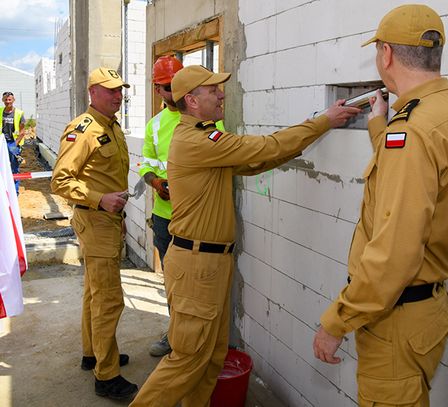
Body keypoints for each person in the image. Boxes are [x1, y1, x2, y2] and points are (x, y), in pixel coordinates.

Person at [130, 65, 360, 407]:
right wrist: (322, 121)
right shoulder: (198, 140)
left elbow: (254, 162)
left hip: (208, 262)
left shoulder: (204, 138)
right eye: (213, 91)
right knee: (187, 360)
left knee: (210, 359)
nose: (222, 95)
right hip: (197, 265)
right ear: (192, 101)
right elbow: (265, 147)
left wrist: (300, 142)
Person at [313, 4, 448, 406]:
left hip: (396, 323)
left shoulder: (412, 132)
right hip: (425, 311)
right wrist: (380, 124)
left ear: (386, 54)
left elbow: (393, 255)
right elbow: (412, 180)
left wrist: (336, 321)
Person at [51, 67, 138, 401]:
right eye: (111, 90)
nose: (118, 96)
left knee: (93, 293)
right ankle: (107, 374)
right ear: (93, 93)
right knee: (108, 299)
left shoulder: (110, 126)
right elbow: (60, 180)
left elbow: (108, 177)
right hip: (95, 219)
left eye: (120, 90)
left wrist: (117, 210)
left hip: (107, 220)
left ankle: (94, 353)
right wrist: (100, 199)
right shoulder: (83, 129)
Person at [139, 56, 226, 357]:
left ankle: (195, 344)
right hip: (166, 218)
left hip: (200, 223)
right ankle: (174, 332)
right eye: (166, 87)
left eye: (177, 84)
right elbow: (146, 165)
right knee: (174, 283)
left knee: (199, 292)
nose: (172, 92)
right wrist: (156, 184)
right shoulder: (154, 126)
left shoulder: (207, 118)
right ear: (157, 90)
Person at [1, 91, 26, 195]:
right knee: (2, 166)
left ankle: (14, 192)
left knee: (14, 168)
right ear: (3, 100)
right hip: (2, 142)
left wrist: (15, 144)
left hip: (13, 143)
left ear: (13, 100)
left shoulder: (19, 113)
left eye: (9, 99)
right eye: (6, 100)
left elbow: (22, 131)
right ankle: (3, 190)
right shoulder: (0, 111)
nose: (7, 101)